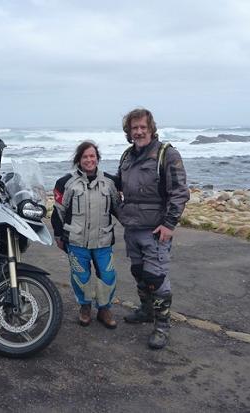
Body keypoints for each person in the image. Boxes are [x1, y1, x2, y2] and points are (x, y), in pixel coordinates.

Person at [118, 108, 190, 349]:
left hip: (156, 230)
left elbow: (180, 192)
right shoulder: (127, 156)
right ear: (128, 131)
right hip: (132, 228)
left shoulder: (166, 154)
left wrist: (169, 224)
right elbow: (120, 185)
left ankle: (162, 326)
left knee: (156, 278)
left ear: (151, 129)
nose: (138, 132)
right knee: (139, 273)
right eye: (134, 128)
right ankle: (146, 311)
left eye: (142, 128)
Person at [51, 141, 121, 328]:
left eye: (92, 156)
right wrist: (58, 236)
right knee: (80, 277)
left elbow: (118, 209)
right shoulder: (65, 183)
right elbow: (58, 212)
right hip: (76, 241)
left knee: (107, 275)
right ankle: (85, 307)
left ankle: (104, 309)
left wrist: (135, 226)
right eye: (85, 157)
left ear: (97, 158)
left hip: (103, 241)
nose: (89, 160)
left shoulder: (110, 182)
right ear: (78, 160)